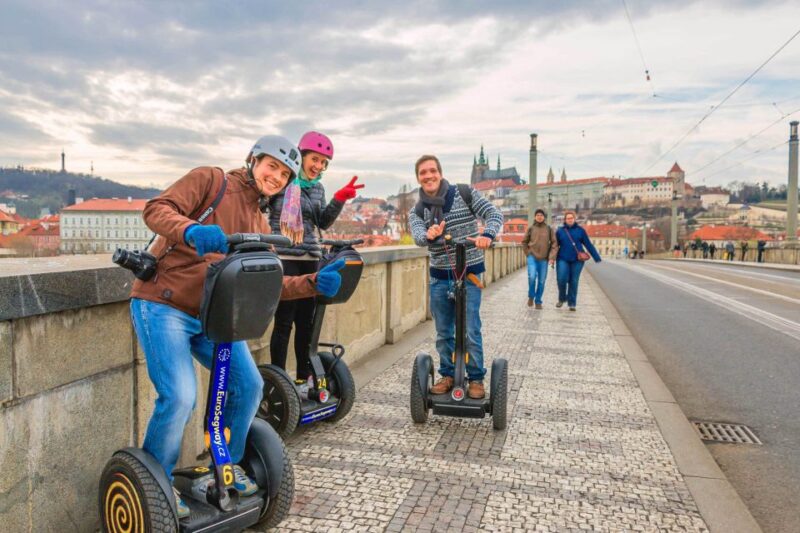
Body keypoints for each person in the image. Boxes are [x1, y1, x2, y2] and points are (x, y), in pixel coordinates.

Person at [128, 135, 346, 517]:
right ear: (252, 160)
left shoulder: (260, 220)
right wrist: (189, 230)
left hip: (212, 317)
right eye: (271, 166)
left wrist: (312, 284)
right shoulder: (212, 181)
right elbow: (156, 208)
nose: (276, 177)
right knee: (179, 397)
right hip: (162, 304)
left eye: (284, 173)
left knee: (249, 386)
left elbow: (268, 283)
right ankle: (157, 489)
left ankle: (222, 466)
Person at [266, 131, 363, 380]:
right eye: (315, 159)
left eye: (323, 162)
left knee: (306, 325)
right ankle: (279, 379)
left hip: (310, 258)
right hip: (285, 258)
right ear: (302, 156)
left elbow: (323, 222)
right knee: (284, 323)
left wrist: (339, 198)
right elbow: (259, 209)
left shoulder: (318, 188)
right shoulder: (283, 181)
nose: (318, 166)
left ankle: (302, 376)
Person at [408, 154, 503, 400]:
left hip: (469, 273)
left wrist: (488, 236)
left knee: (471, 328)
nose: (428, 176)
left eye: (432, 171)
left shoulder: (464, 193)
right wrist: (429, 234)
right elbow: (418, 237)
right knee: (443, 332)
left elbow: (494, 215)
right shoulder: (418, 210)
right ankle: (448, 374)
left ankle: (476, 378)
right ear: (418, 178)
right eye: (423, 173)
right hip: (440, 278)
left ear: (439, 173)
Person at [554, 211, 601, 311]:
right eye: (568, 218)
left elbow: (588, 244)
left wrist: (596, 257)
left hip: (577, 260)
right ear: (565, 220)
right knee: (561, 279)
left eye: (571, 218)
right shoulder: (560, 231)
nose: (570, 220)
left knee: (573, 281)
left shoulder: (581, 231)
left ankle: (572, 303)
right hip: (562, 258)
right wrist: (550, 257)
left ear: (574, 219)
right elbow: (554, 246)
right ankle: (562, 298)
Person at [521, 208, 557, 309]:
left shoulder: (549, 229)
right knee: (532, 277)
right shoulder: (531, 228)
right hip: (532, 257)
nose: (539, 217)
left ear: (544, 217)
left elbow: (554, 243)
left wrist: (552, 257)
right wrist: (528, 253)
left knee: (541, 281)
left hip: (544, 259)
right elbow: (524, 242)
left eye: (541, 215)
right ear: (535, 217)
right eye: (538, 215)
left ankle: (538, 300)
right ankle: (531, 296)